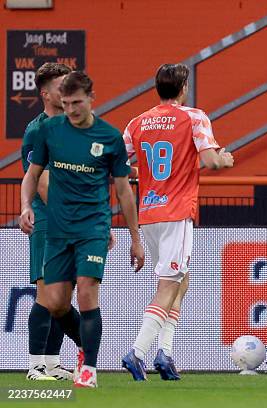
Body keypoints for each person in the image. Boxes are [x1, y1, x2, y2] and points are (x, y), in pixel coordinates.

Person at [20, 71, 145, 388]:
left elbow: (123, 190)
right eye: (65, 99)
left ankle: (84, 367)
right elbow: (36, 177)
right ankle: (53, 358)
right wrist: (27, 207)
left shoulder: (107, 136)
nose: (72, 106)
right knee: (54, 299)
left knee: (86, 291)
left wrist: (126, 234)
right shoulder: (43, 131)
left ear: (90, 98)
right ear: (53, 97)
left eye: (76, 100)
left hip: (90, 225)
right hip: (54, 225)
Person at [121, 63, 233, 381]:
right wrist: (223, 159)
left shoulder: (138, 122)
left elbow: (114, 163)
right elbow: (211, 160)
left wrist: (140, 174)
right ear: (183, 87)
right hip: (177, 211)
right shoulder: (193, 117)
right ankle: (137, 352)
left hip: (149, 213)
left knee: (180, 282)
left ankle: (166, 353)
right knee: (170, 285)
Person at [20, 62, 75, 381]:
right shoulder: (38, 129)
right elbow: (41, 182)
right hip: (47, 221)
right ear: (45, 93)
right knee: (47, 294)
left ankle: (52, 363)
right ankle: (35, 365)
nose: (66, 92)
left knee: (62, 298)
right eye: (60, 87)